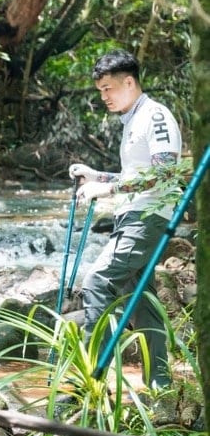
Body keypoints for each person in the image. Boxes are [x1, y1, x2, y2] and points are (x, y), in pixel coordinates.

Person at [69, 49, 181, 389]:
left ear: (129, 82)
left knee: (96, 282)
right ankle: (160, 386)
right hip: (133, 216)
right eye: (100, 90)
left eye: (108, 89)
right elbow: (135, 175)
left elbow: (165, 174)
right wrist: (97, 177)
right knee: (143, 303)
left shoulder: (155, 116)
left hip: (147, 220)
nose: (103, 96)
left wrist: (107, 189)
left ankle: (93, 378)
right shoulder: (133, 119)